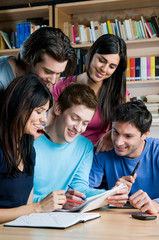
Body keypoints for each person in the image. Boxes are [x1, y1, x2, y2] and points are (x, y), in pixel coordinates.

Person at [33, 83, 128, 209]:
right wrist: (59, 201)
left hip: (60, 216)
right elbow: (16, 196)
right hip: (28, 214)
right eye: (74, 118)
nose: (78, 128)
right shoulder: (32, 141)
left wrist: (110, 194)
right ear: (58, 109)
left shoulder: (85, 146)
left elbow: (79, 188)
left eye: (85, 123)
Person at [0, 74, 66, 224]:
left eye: (46, 112)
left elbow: (26, 207)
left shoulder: (29, 150)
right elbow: (32, 208)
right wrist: (39, 207)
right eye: (38, 111)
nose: (44, 119)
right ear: (18, 107)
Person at [50, 34, 129, 153]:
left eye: (112, 66)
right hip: (64, 151)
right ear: (91, 54)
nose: (104, 69)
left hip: (100, 154)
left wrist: (112, 134)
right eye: (101, 60)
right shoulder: (62, 86)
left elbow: (129, 123)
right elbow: (49, 124)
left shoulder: (118, 93)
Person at [89, 100, 159, 214]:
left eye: (128, 136)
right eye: (115, 132)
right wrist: (109, 195)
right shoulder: (103, 151)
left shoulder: (157, 150)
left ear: (145, 134)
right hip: (116, 220)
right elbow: (81, 191)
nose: (118, 142)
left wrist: (156, 204)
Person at [0, 27, 76, 91]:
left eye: (58, 73)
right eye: (48, 71)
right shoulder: (2, 80)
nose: (53, 81)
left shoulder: (32, 79)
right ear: (28, 58)